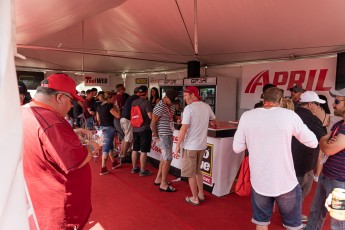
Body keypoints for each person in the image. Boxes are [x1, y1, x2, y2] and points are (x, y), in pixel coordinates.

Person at [22, 73, 100, 230]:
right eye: (71, 101)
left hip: (41, 197)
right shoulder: (51, 122)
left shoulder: (25, 111)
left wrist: (71, 133)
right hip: (61, 208)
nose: (72, 106)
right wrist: (93, 146)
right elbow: (76, 160)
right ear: (59, 97)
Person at [233, 87, 318, 230]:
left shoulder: (247, 116)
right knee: (293, 225)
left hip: (259, 181)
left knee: (261, 223)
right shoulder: (289, 116)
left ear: (263, 99)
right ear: (280, 100)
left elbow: (237, 148)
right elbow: (313, 142)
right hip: (285, 181)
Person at [306, 88, 345, 230]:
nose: (333, 105)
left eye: (336, 101)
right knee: (316, 211)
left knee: (338, 221)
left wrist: (325, 142)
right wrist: (326, 141)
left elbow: (327, 147)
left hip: (340, 183)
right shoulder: (338, 125)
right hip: (326, 177)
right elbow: (325, 140)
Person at [176, 86, 216, 206]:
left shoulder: (189, 108)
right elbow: (214, 121)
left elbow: (184, 128)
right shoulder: (206, 106)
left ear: (193, 95)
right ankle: (201, 194)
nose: (185, 98)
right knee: (198, 170)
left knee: (190, 173)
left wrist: (178, 144)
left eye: (186, 95)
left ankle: (194, 198)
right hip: (202, 145)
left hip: (191, 146)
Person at [291, 91, 327, 223]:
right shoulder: (312, 119)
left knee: (294, 191)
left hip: (289, 160)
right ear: (311, 104)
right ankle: (292, 219)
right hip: (304, 162)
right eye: (317, 104)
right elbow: (324, 139)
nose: (318, 107)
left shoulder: (291, 115)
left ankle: (292, 214)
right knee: (300, 191)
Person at [151, 89, 179, 192]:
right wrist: (156, 136)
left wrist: (177, 119)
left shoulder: (170, 105)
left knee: (164, 158)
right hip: (163, 135)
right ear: (166, 97)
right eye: (172, 101)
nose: (173, 103)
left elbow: (173, 116)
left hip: (168, 134)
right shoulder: (160, 106)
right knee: (167, 159)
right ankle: (163, 183)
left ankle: (159, 179)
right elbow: (153, 123)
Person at [96, 91, 121, 175]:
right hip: (109, 128)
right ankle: (103, 168)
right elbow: (118, 115)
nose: (114, 99)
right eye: (113, 97)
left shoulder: (99, 106)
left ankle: (114, 162)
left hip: (102, 128)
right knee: (106, 149)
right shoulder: (110, 106)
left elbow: (98, 119)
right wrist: (117, 106)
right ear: (109, 98)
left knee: (110, 146)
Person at [131, 85, 153, 176]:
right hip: (144, 129)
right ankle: (143, 170)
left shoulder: (134, 102)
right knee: (143, 150)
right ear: (146, 92)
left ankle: (134, 168)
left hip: (135, 128)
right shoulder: (146, 102)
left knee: (135, 149)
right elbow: (150, 116)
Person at [119, 87, 140, 162]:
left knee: (126, 137)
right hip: (127, 120)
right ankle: (123, 156)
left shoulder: (131, 97)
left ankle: (123, 153)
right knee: (128, 138)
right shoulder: (136, 98)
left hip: (123, 119)